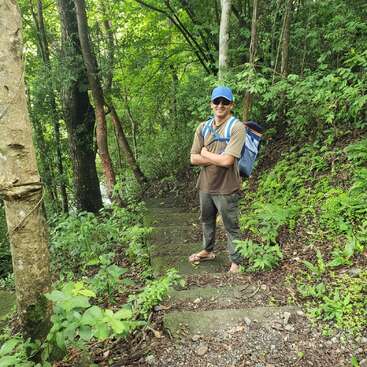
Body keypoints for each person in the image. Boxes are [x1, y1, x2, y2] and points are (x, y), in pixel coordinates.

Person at [189, 86, 245, 273]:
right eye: (217, 101)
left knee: (231, 225)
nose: (220, 105)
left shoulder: (237, 127)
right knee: (206, 219)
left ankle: (236, 262)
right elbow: (193, 158)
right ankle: (207, 250)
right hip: (206, 184)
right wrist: (215, 158)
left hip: (227, 186)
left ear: (231, 105)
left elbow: (228, 161)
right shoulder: (203, 127)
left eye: (225, 102)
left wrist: (205, 152)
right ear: (211, 104)